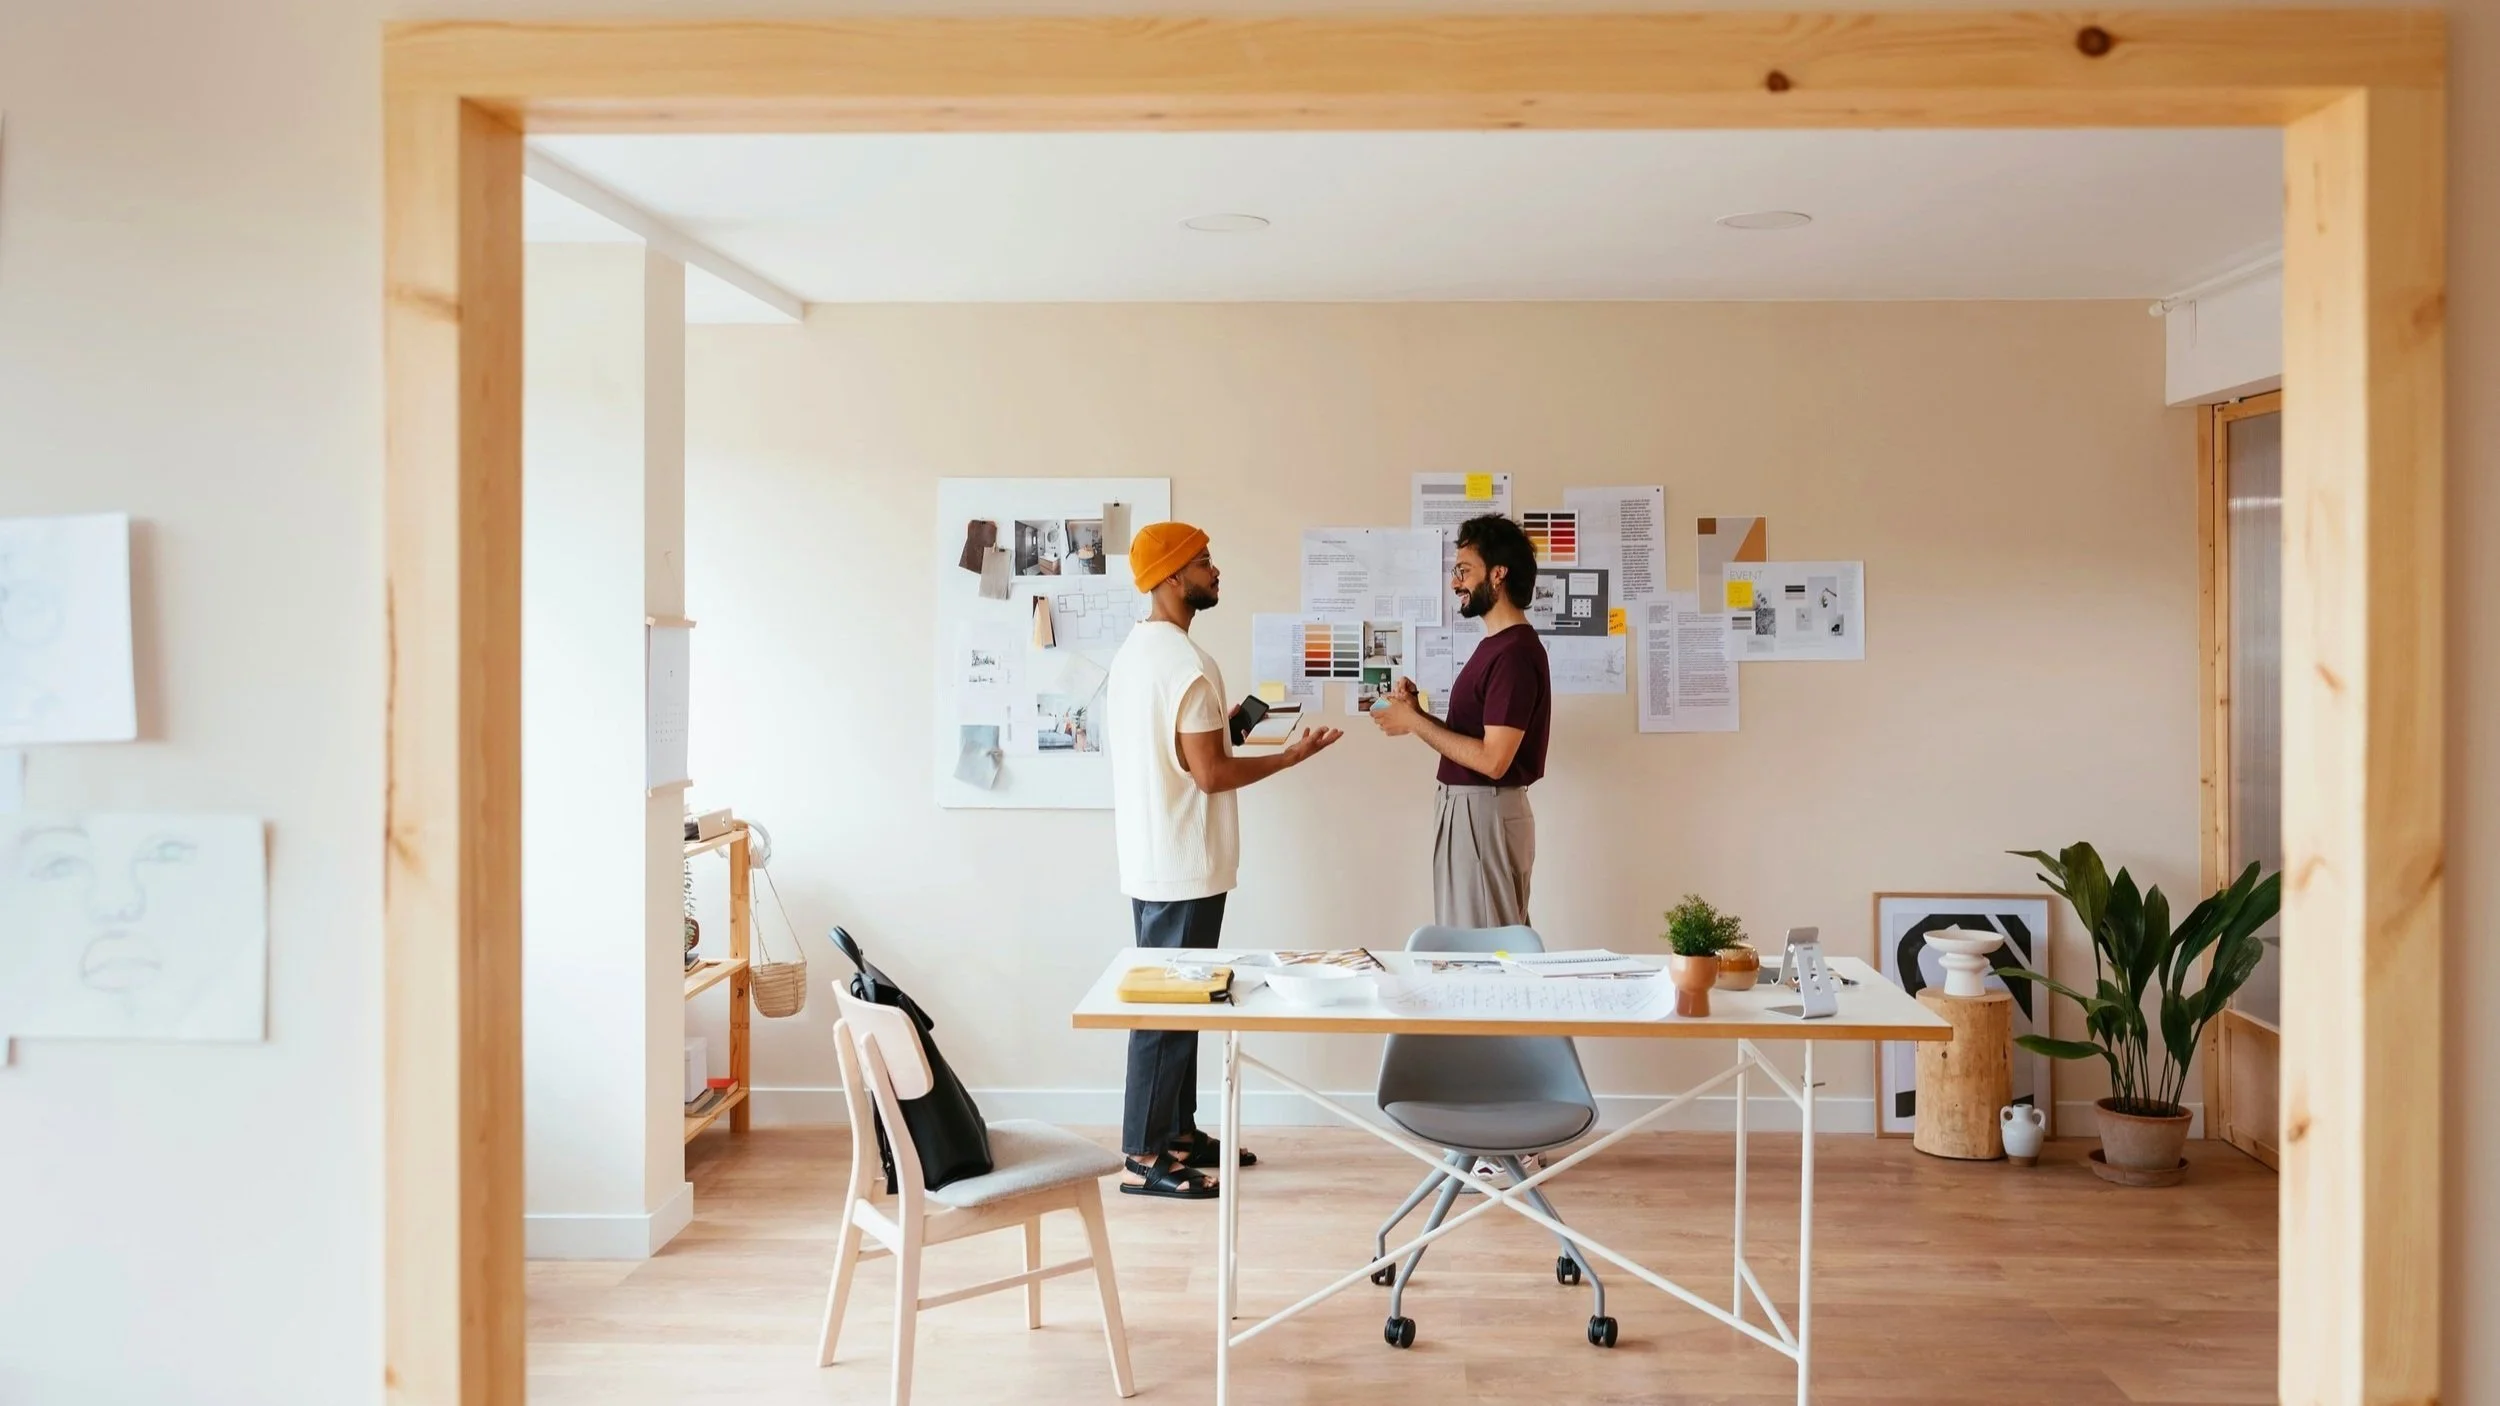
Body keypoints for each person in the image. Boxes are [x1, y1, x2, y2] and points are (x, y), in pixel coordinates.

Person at [1106, 521, 1343, 1200]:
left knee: (1182, 1005)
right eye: (1206, 563)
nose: (1217, 572)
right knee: (1165, 1012)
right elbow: (1208, 774)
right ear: (1175, 577)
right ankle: (1145, 1154)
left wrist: (1235, 722)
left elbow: (1180, 752)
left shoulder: (1137, 654)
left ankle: (1176, 1131)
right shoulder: (1186, 663)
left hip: (1157, 855)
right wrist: (1289, 757)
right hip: (1184, 863)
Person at [1369, 513, 1552, 929]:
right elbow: (1475, 742)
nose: (1456, 583)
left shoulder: (1514, 654)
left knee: (1486, 952)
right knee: (1471, 943)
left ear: (1498, 574)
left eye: (1464, 571)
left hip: (1482, 813)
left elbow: (1493, 761)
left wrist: (1414, 724)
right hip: (1470, 811)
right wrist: (1416, 714)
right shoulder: (1496, 647)